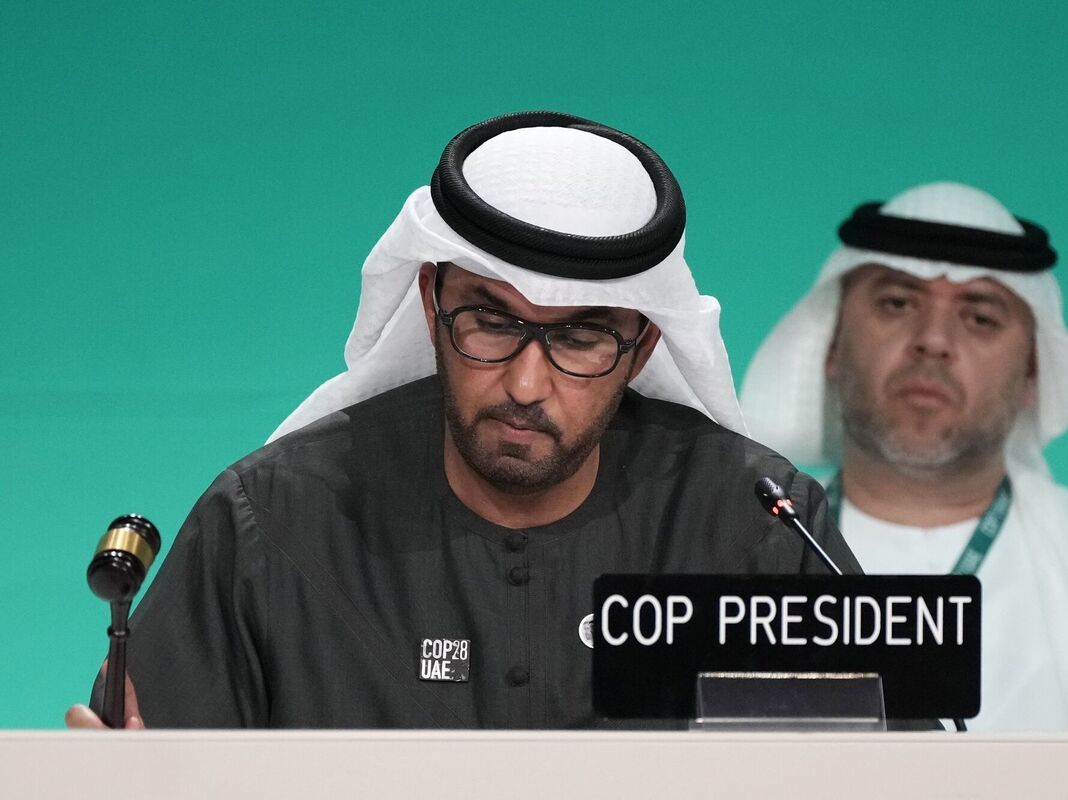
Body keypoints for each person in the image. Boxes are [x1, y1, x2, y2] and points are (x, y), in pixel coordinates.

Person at [67, 111, 856, 729]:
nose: (524, 382)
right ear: (430, 299)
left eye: (581, 336)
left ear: (643, 343)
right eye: (493, 323)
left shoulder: (758, 525)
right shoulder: (272, 524)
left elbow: (896, 767)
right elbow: (147, 763)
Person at [739, 181, 1068, 731]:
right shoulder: (731, 570)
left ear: (1033, 374)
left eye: (980, 316)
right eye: (897, 303)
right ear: (832, 347)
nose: (933, 340)